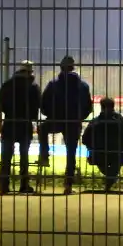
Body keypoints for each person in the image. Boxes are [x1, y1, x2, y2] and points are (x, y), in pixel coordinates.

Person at [38, 55, 93, 194]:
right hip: (73, 122)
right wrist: (79, 118)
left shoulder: (53, 84)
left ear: (61, 68)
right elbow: (88, 107)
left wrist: (50, 114)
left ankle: (44, 154)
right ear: (73, 68)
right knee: (71, 153)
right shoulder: (83, 86)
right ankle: (68, 185)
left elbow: (43, 104)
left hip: (55, 119)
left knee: (42, 129)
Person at [0, 60, 41, 194]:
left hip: (10, 121)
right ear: (30, 72)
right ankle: (24, 184)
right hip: (25, 123)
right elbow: (37, 104)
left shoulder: (8, 84)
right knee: (24, 156)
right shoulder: (33, 86)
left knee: (6, 156)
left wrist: (7, 111)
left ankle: (4, 183)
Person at [82, 97, 123, 192]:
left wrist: (91, 146)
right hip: (118, 153)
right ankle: (110, 180)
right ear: (113, 106)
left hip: (98, 154)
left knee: (103, 162)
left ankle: (110, 179)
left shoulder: (95, 122)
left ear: (101, 107)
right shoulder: (122, 121)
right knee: (116, 163)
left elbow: (85, 138)